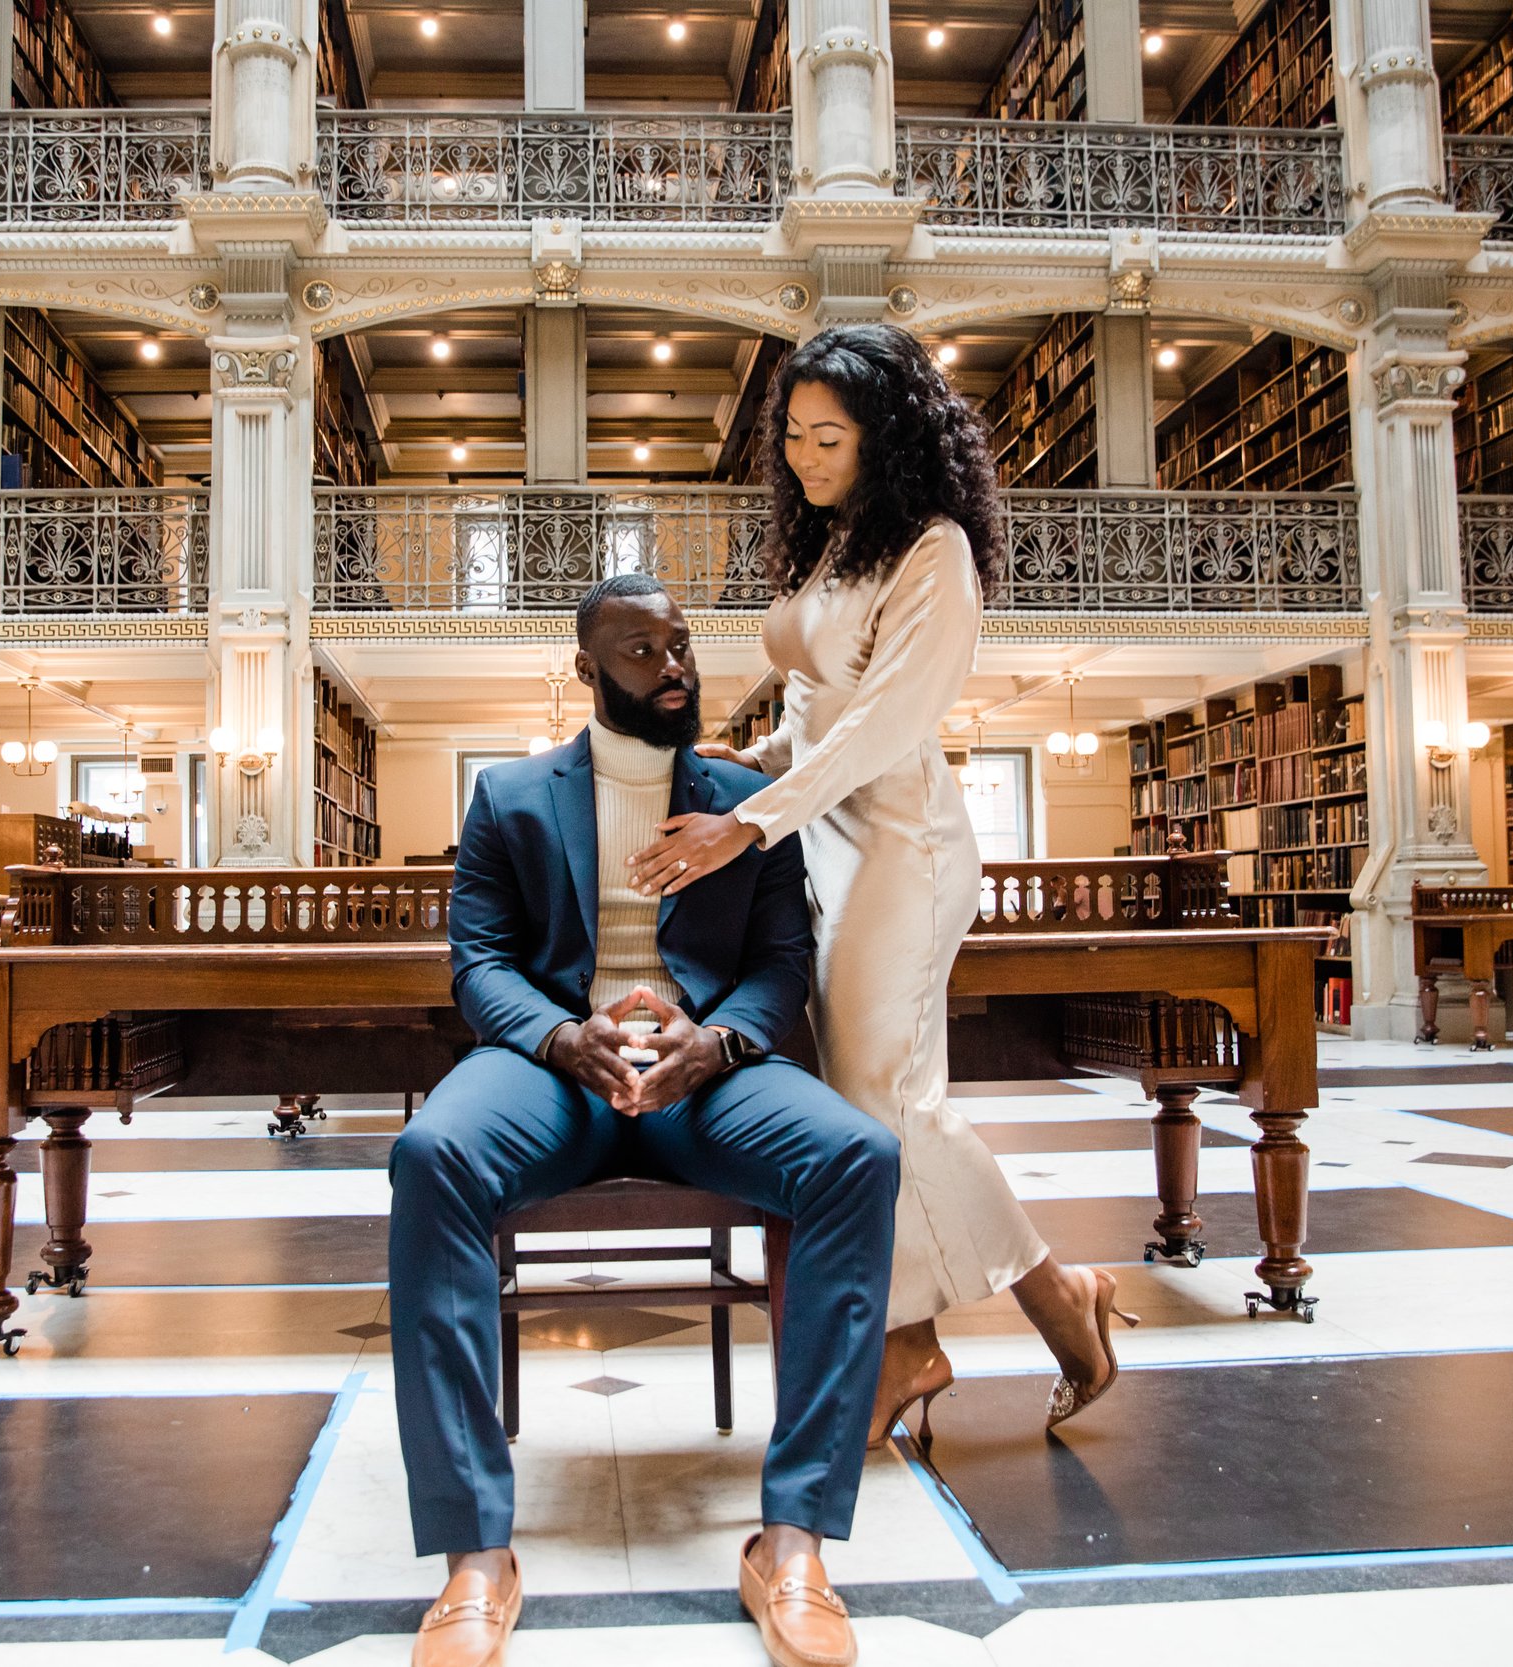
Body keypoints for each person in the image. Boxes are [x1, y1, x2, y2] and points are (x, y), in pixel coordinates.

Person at [627, 324, 1137, 1452]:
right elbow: (814, 717)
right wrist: (730, 777)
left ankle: (995, 1318)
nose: (806, 459)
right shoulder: (838, 542)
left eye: (830, 437)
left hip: (903, 848)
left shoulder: (933, 550)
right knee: (867, 1106)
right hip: (823, 842)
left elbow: (887, 726)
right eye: (794, 437)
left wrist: (744, 824)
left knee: (884, 1101)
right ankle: (981, 1321)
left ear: (888, 435)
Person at [389, 572, 900, 1667]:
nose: (672, 667)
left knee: (858, 1154)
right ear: (586, 670)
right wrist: (556, 1036)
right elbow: (475, 962)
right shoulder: (510, 795)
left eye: (679, 645)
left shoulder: (742, 804)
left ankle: (793, 1537)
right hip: (553, 1074)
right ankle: (475, 1552)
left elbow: (777, 965)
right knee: (431, 1153)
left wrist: (713, 1043)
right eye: (639, 651)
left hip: (702, 1076)